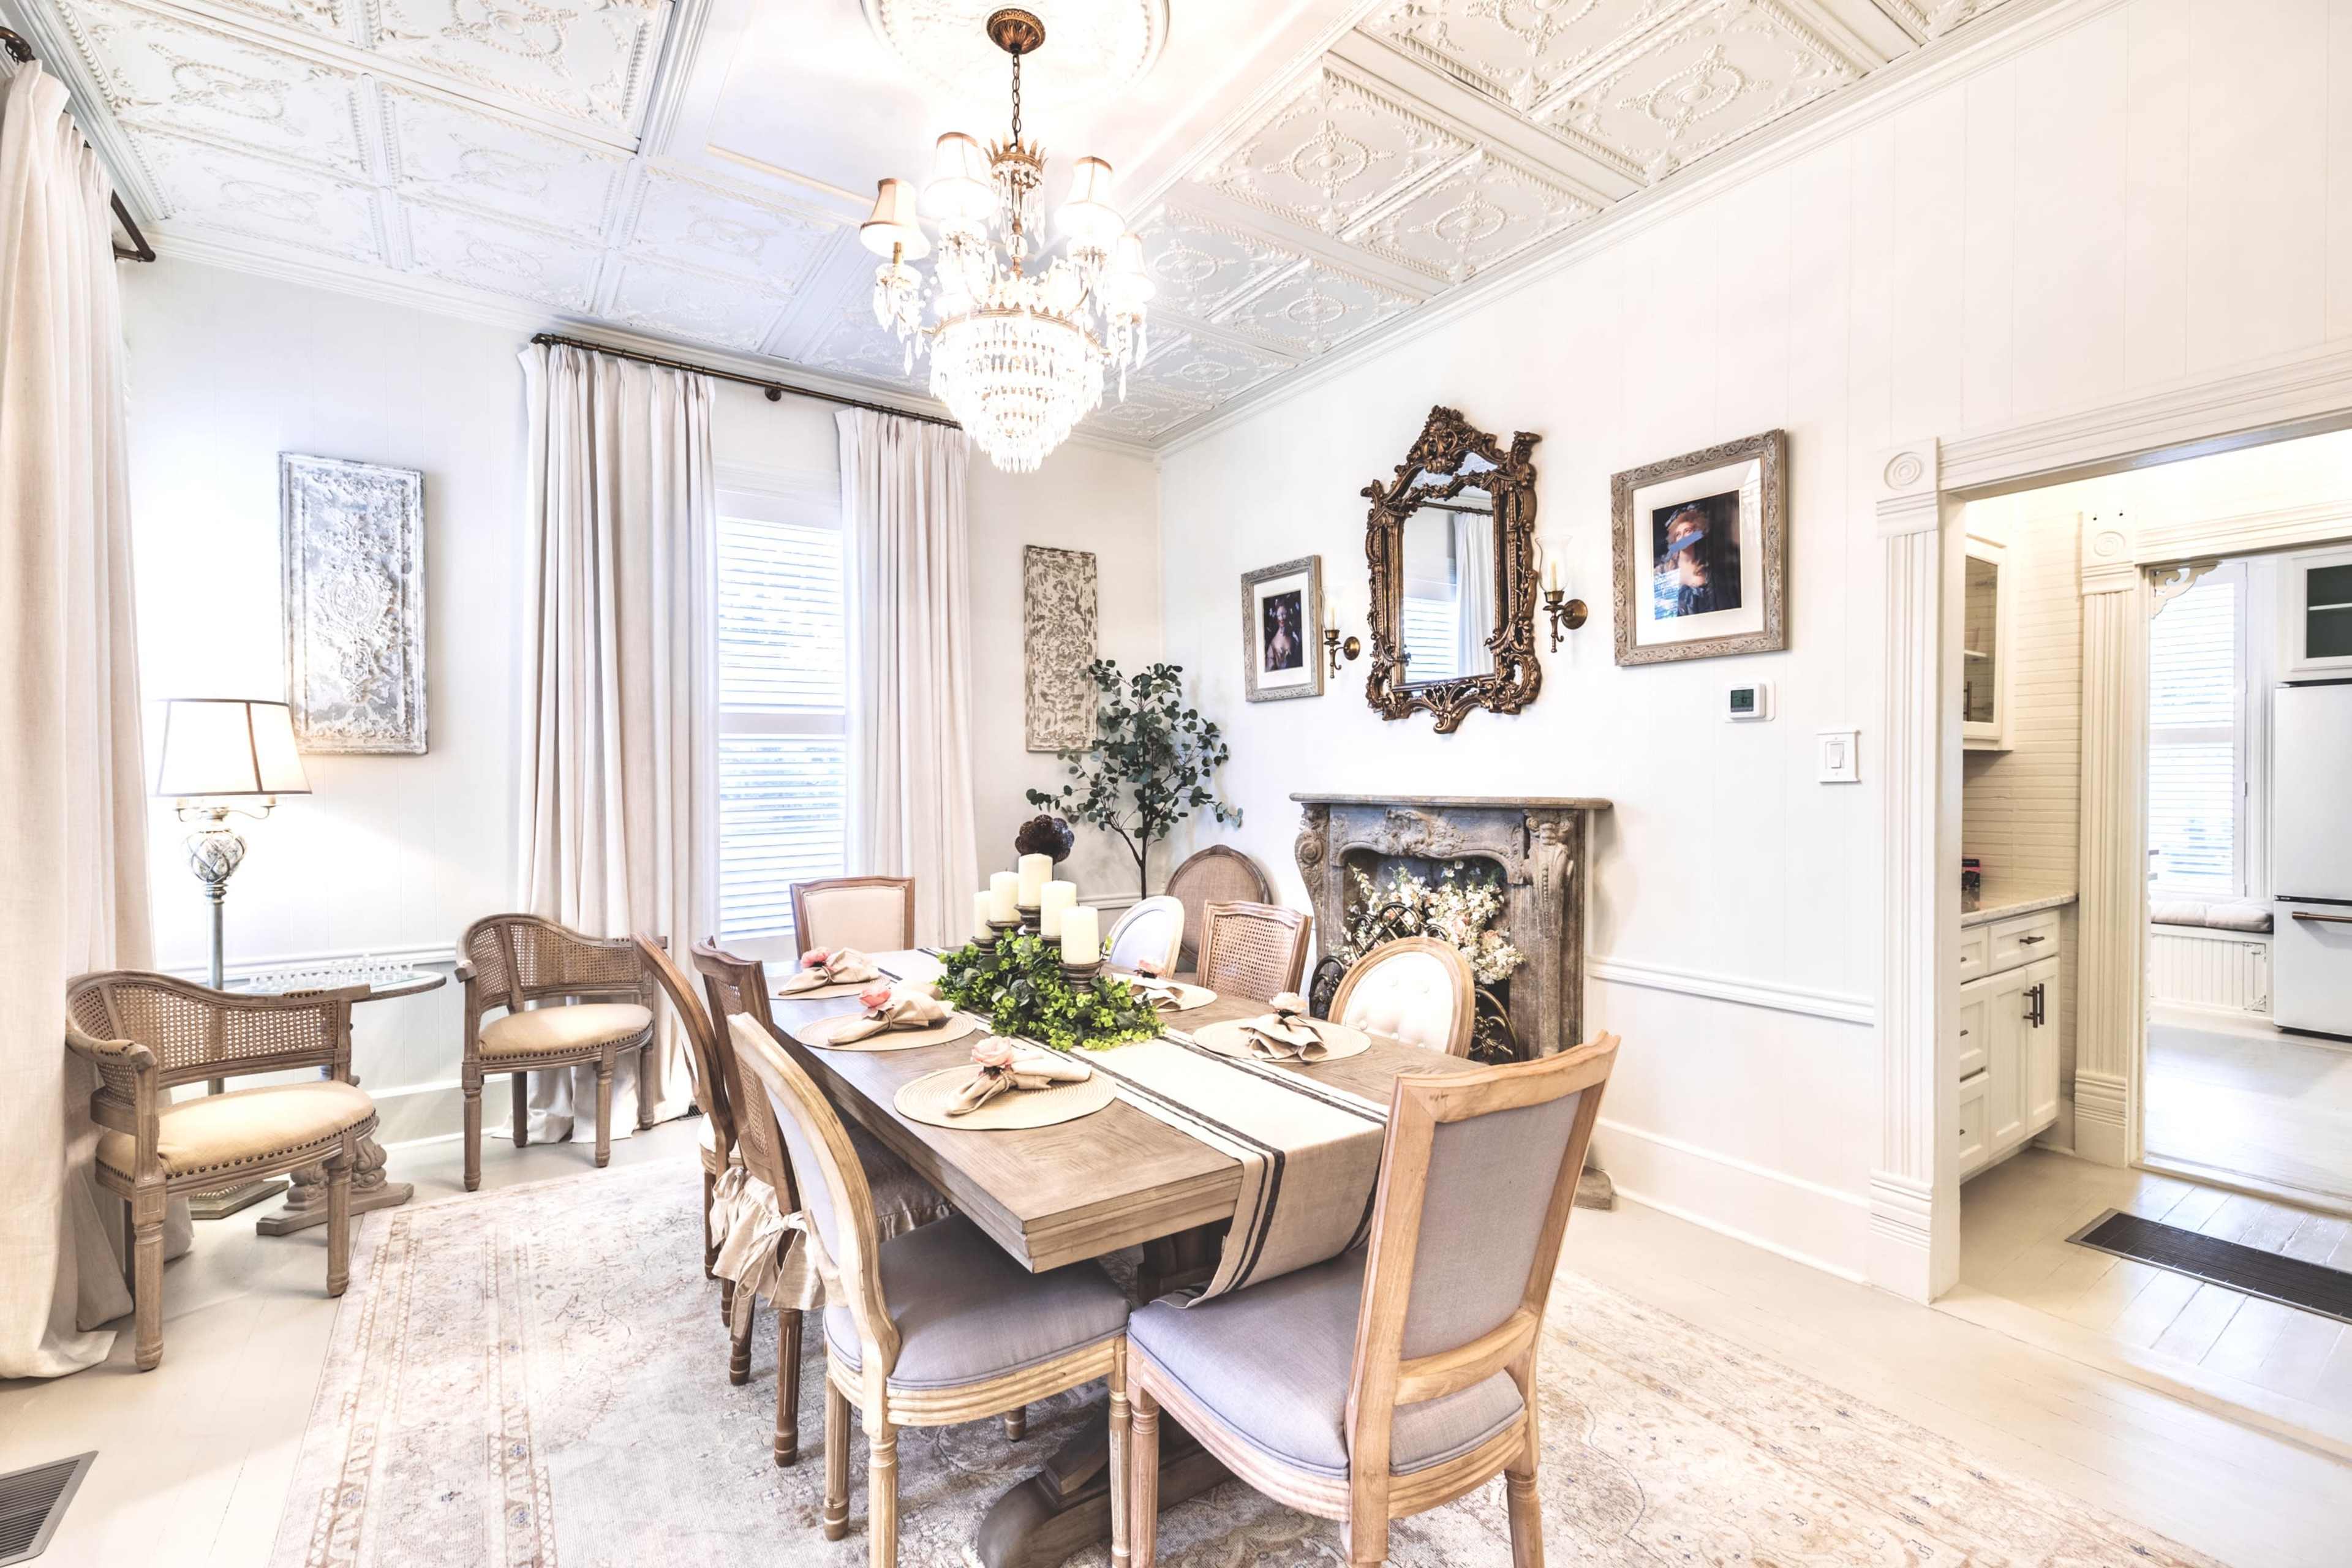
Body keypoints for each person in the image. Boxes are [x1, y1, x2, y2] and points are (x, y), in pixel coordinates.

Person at [1659, 505, 1731, 617]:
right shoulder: (1663, 571)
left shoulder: (1709, 571)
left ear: (1697, 534)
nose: (1682, 538)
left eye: (1687, 531)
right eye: (1678, 535)